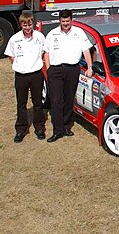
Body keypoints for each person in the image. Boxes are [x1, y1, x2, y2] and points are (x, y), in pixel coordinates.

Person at [42, 9, 93, 143]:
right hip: (56, 70)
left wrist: (90, 66)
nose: (65, 24)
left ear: (71, 20)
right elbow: (46, 53)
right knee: (56, 100)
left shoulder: (79, 33)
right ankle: (57, 131)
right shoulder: (52, 34)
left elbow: (86, 50)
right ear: (60, 21)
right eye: (63, 21)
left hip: (72, 69)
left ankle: (66, 126)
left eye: (68, 21)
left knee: (69, 99)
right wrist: (49, 70)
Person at [5, 12, 46, 142]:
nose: (27, 27)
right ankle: (21, 129)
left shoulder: (40, 37)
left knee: (38, 103)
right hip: (21, 76)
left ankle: (39, 128)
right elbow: (11, 57)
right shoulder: (14, 39)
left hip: (36, 74)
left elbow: (44, 53)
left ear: (32, 24)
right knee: (21, 103)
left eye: (29, 24)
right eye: (24, 25)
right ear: (21, 25)